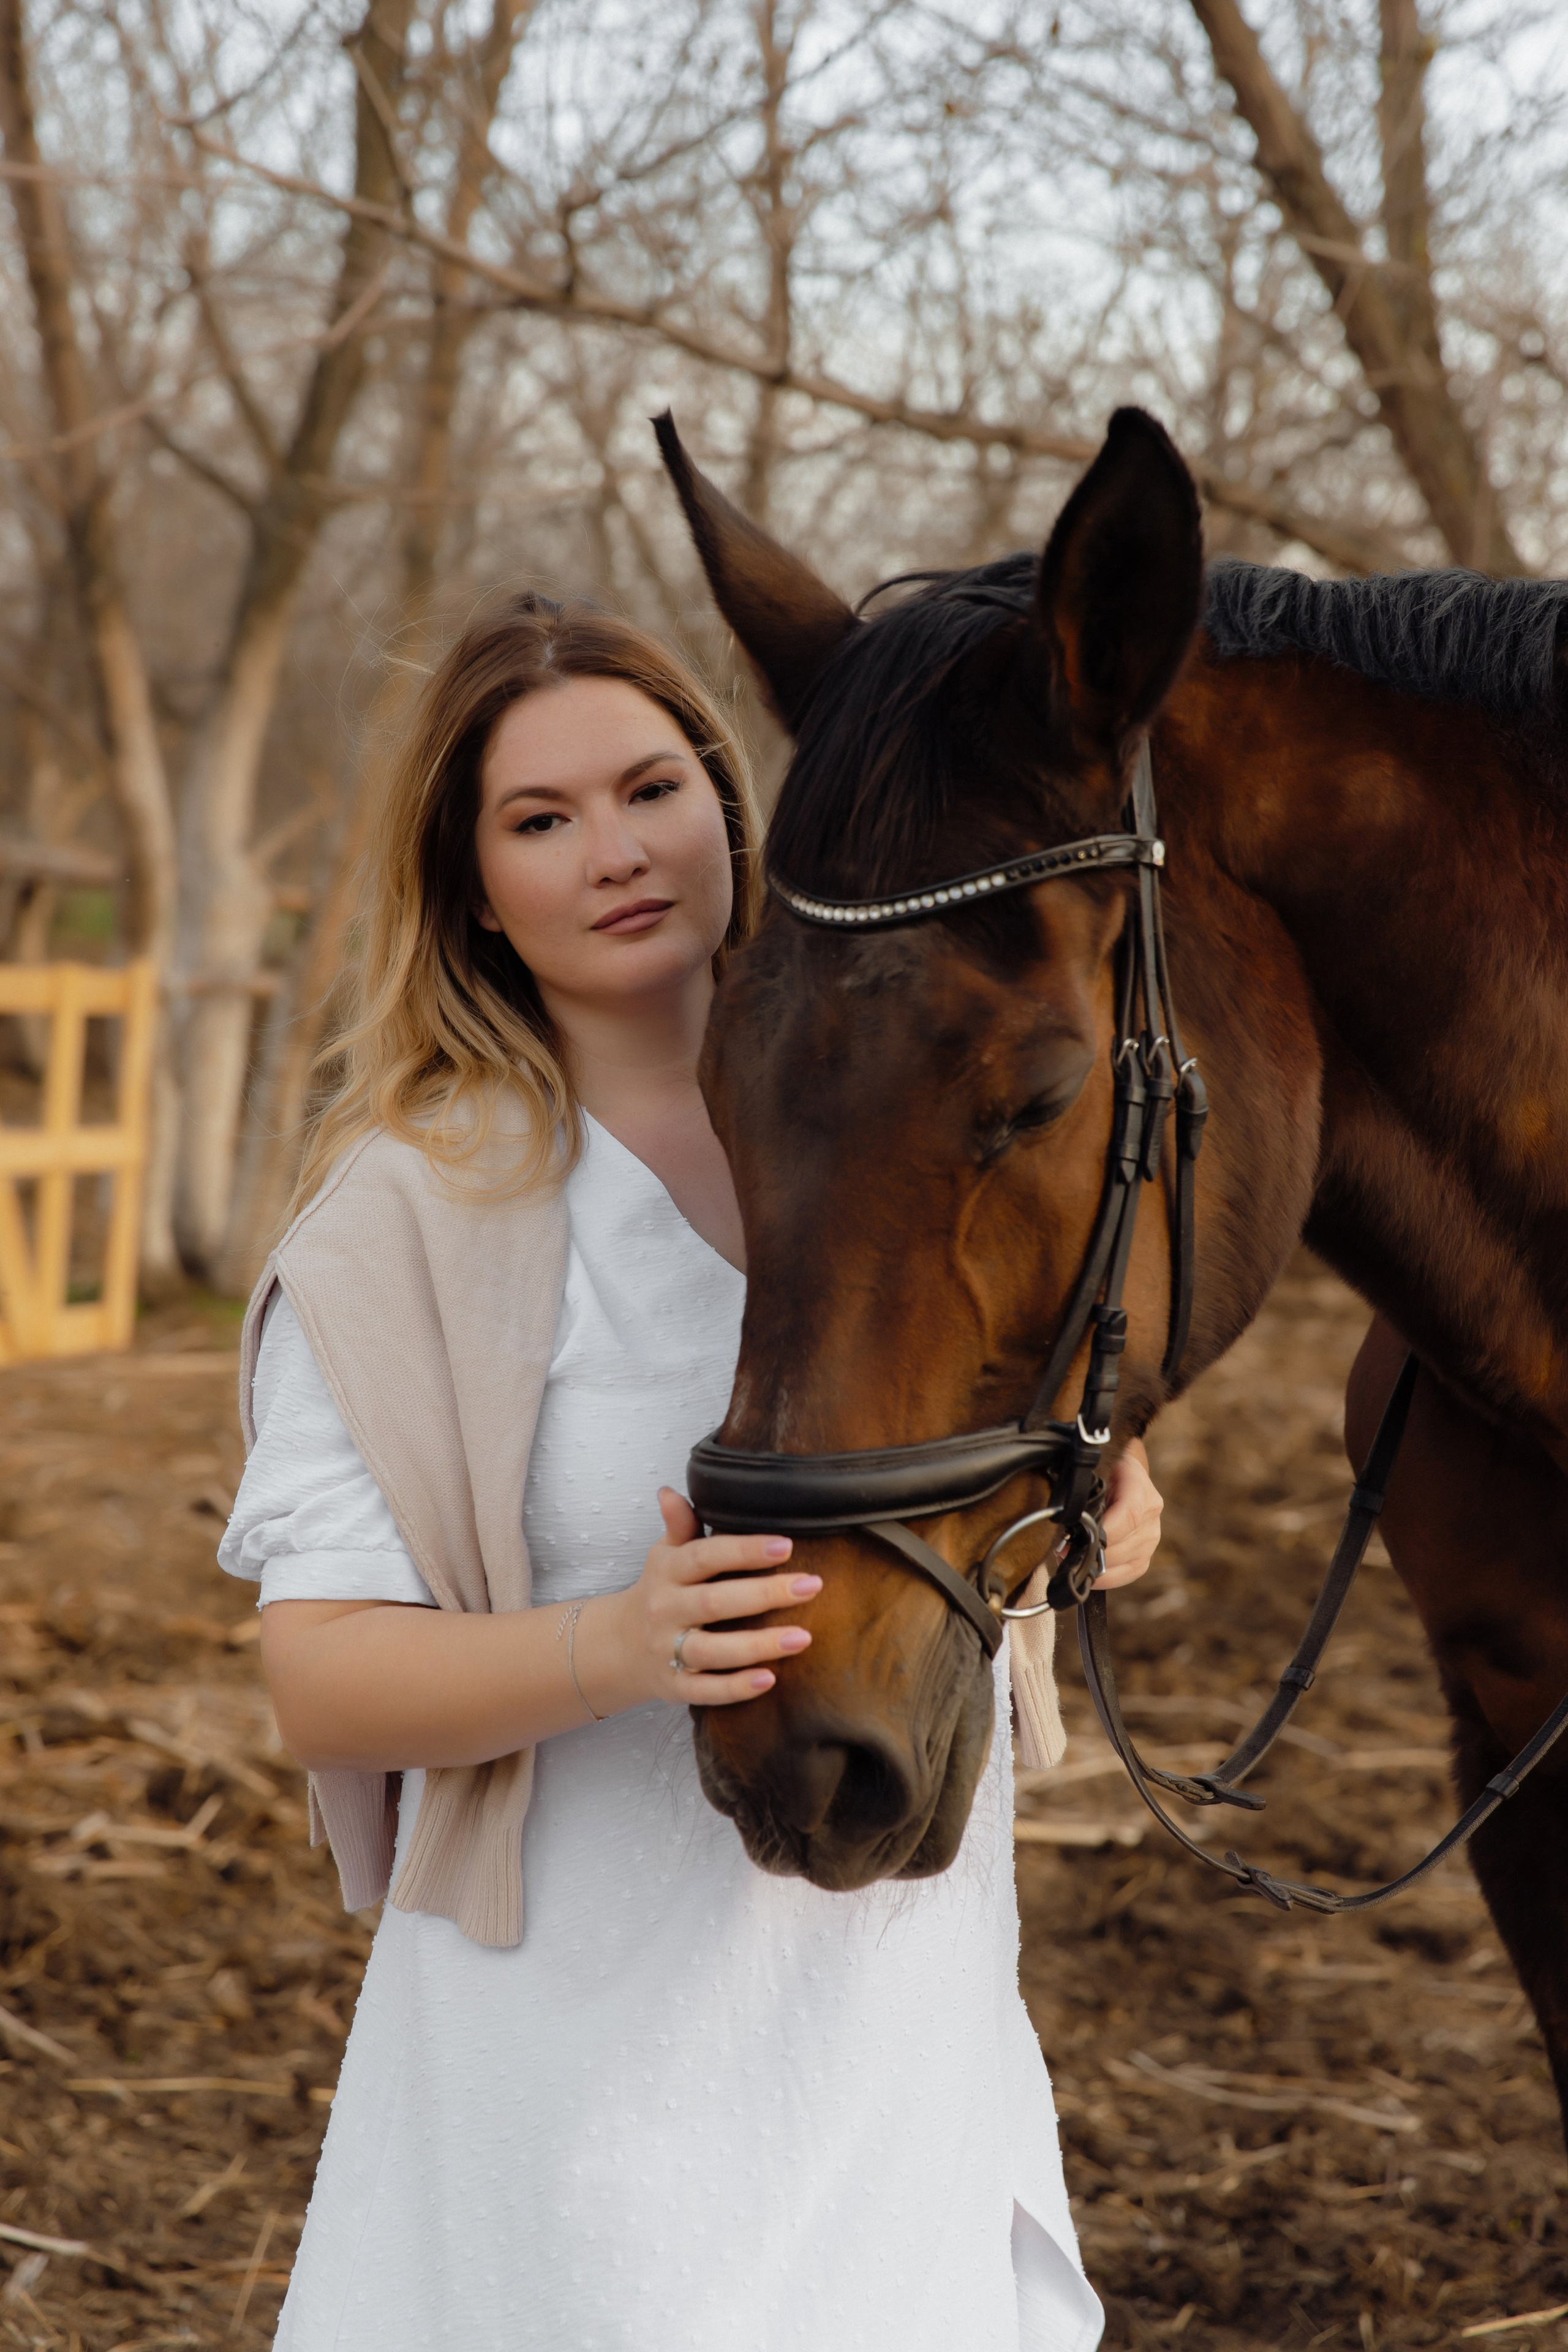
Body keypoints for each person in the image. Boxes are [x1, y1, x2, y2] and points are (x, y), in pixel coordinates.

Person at [219, 592, 1166, 2352]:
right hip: (584, 2085)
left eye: (651, 788)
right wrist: (612, 1647)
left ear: (733, 808)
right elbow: (316, 1675)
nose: (613, 853)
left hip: (900, 2019)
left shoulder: (891, 1141)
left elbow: (968, 1491)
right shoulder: (405, 1225)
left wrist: (1079, 1517)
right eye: (539, 820)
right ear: (470, 886)